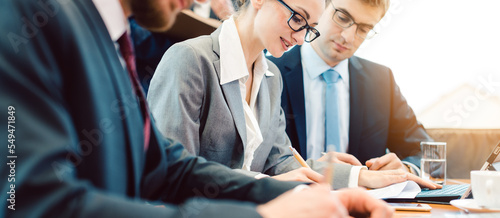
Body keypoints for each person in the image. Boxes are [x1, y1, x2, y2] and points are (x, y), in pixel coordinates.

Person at [0, 0, 394, 217]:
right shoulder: (26, 17)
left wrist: (316, 194)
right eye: (298, 18)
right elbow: (28, 203)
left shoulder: (113, 43)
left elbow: (168, 168)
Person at [147, 0, 437, 189]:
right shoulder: (189, 60)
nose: (300, 38)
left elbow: (282, 164)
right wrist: (265, 184)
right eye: (298, 18)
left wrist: (358, 177)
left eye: (309, 28)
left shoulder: (271, 80)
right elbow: (169, 176)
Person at [268, 0, 433, 178]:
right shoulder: (269, 73)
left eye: (363, 29)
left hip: (366, 201)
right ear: (322, 7)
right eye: (342, 17)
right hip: (291, 199)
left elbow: (427, 152)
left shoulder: (381, 81)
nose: (348, 37)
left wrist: (405, 169)